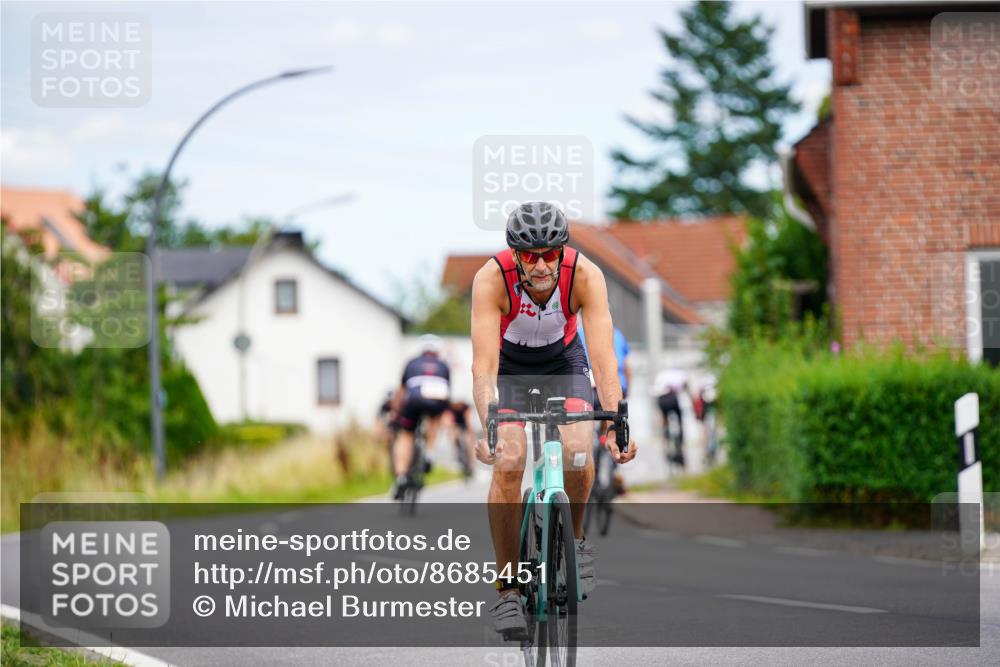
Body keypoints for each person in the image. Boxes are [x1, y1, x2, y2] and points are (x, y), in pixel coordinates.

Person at [470, 201, 638, 639]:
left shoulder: (585, 275)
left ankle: (575, 540)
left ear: (563, 251)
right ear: (516, 257)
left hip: (564, 363)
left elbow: (603, 360)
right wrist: (486, 422)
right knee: (509, 461)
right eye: (531, 255)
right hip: (509, 368)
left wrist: (616, 423)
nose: (543, 263)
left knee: (579, 450)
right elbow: (484, 365)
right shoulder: (491, 278)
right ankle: (508, 590)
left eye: (551, 253)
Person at [391, 334, 451, 499]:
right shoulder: (443, 365)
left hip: (415, 397)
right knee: (435, 419)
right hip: (438, 397)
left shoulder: (411, 362)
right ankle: (430, 453)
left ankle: (401, 476)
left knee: (406, 434)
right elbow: (447, 392)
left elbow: (401, 391)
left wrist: (396, 411)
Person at [577, 322, 631, 494]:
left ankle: (584, 458)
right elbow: (627, 368)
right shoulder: (618, 334)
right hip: (615, 385)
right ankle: (615, 472)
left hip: (585, 385)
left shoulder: (577, 331)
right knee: (613, 428)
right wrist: (627, 390)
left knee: (584, 428)